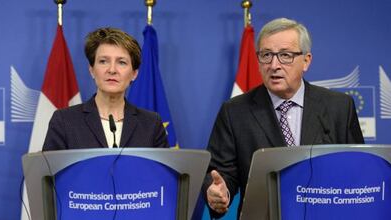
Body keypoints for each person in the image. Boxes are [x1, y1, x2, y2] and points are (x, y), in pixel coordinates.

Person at [202, 18, 364, 218]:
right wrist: (218, 192)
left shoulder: (339, 107)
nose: (274, 65)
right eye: (266, 55)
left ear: (306, 61)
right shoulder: (234, 111)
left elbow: (358, 171)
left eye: (285, 55)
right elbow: (219, 172)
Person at [43, 27, 169, 150]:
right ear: (91, 70)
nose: (112, 70)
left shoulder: (151, 124)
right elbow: (48, 170)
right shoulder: (65, 121)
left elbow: (162, 171)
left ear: (134, 74)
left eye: (122, 62)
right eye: (103, 61)